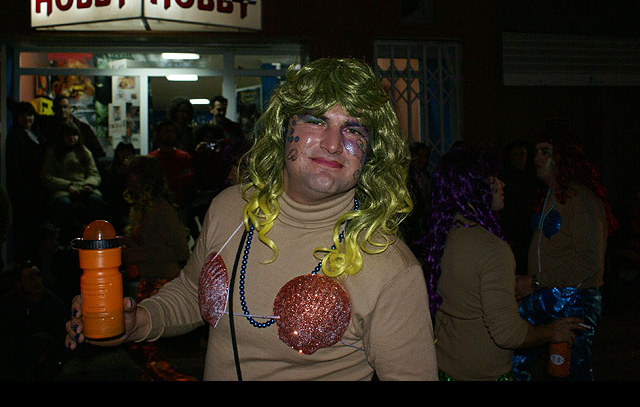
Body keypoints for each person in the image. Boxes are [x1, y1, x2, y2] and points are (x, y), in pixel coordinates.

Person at [65, 57, 438, 381]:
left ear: (371, 152)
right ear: (283, 129)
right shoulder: (231, 208)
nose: (332, 143)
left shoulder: (390, 267)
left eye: (353, 129)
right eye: (315, 121)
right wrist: (138, 322)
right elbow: (193, 292)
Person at [420, 145, 586, 381]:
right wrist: (552, 331)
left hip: (445, 367)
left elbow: (464, 300)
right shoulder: (491, 249)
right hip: (483, 374)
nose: (502, 184)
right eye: (492, 179)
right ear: (473, 188)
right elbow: (508, 334)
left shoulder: (444, 234)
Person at [513, 130, 618, 381]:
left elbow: (589, 262)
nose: (536, 158)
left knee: (569, 371)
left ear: (564, 159)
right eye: (536, 152)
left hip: (574, 299)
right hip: (544, 294)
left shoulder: (582, 200)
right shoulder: (549, 196)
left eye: (545, 152)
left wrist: (535, 281)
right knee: (514, 357)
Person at [121, 155, 195, 380]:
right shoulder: (143, 209)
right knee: (143, 348)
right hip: (148, 282)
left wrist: (139, 253)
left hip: (162, 283)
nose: (130, 180)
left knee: (142, 345)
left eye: (135, 175)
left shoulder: (161, 210)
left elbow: (182, 251)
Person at [0, 260, 68, 380]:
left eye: (38, 276)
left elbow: (63, 338)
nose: (36, 281)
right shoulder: (8, 305)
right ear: (18, 284)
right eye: (29, 278)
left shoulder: (54, 304)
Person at [40, 122, 105, 244]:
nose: (71, 139)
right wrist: (68, 185)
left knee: (96, 200)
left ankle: (90, 233)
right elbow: (47, 177)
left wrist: (89, 184)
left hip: (84, 187)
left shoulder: (84, 152)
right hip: (62, 189)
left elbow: (94, 173)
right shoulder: (53, 153)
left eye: (74, 135)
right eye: (68, 135)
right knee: (63, 204)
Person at [5, 101, 46, 263]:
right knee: (25, 229)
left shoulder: (37, 134)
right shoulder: (15, 137)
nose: (27, 119)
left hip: (39, 188)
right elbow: (14, 166)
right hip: (25, 190)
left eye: (30, 115)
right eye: (23, 116)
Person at [499, 139, 539, 275]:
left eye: (522, 154)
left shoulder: (533, 178)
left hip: (530, 232)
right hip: (514, 233)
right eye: (515, 154)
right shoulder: (506, 179)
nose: (518, 158)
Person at [39, 94, 106, 164]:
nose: (62, 110)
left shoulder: (83, 128)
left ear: (70, 108)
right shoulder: (48, 127)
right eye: (59, 107)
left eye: (65, 107)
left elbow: (97, 150)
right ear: (53, 109)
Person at [149, 120, 195, 210]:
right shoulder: (151, 159)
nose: (170, 135)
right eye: (166, 131)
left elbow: (188, 180)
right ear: (158, 135)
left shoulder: (184, 157)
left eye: (172, 131)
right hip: (156, 206)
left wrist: (166, 181)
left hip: (180, 204)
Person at [101, 142, 136, 233]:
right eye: (122, 152)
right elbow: (107, 191)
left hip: (131, 204)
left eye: (128, 152)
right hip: (114, 204)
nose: (125, 155)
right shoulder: (110, 171)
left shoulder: (137, 172)